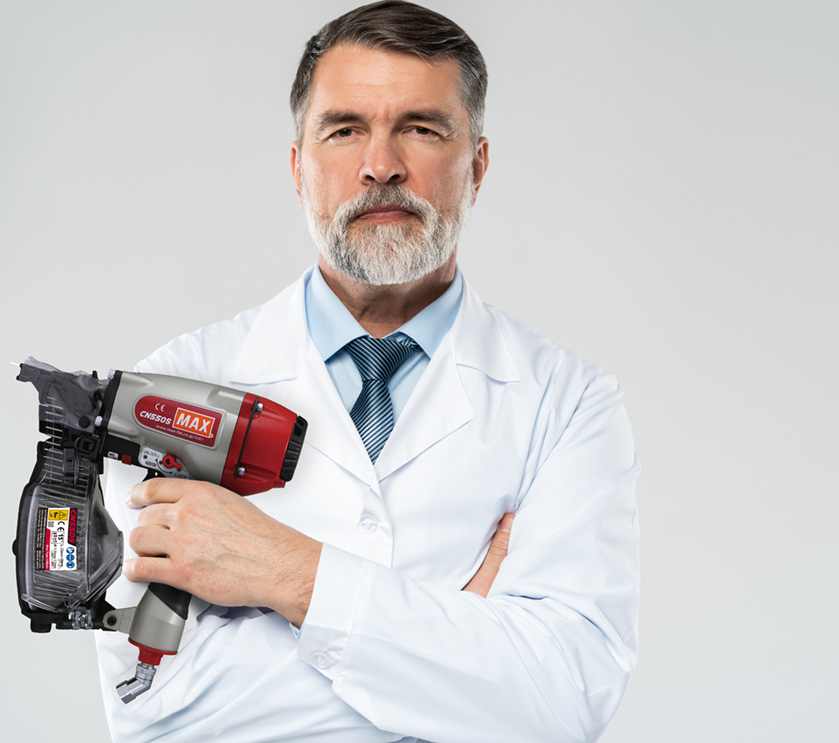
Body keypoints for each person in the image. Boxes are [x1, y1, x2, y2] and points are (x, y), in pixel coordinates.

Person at [93, 3, 640, 741]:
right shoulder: (172, 385)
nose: (380, 165)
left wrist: (290, 574)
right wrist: (461, 640)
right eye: (345, 128)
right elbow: (154, 706)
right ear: (297, 167)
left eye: (420, 127)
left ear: (476, 165)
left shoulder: (570, 405)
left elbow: (564, 697)